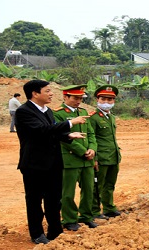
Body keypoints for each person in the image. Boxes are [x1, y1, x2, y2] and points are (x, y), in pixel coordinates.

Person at [15, 79, 87, 244]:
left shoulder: (47, 111)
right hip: (34, 164)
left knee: (54, 199)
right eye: (47, 91)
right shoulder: (23, 111)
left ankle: (55, 231)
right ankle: (37, 233)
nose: (51, 93)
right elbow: (40, 131)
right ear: (35, 93)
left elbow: (51, 132)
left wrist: (68, 136)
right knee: (34, 201)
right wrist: (70, 123)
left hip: (53, 163)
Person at [53, 85, 98, 231]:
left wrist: (92, 149)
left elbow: (91, 134)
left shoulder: (84, 112)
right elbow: (61, 137)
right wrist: (82, 151)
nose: (78, 101)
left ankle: (86, 216)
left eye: (80, 98)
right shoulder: (58, 114)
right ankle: (69, 219)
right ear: (65, 97)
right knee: (68, 192)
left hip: (87, 159)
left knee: (88, 189)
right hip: (70, 159)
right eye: (75, 98)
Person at [88, 85, 122, 220]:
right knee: (97, 185)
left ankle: (109, 208)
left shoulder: (111, 117)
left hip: (113, 156)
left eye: (110, 99)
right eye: (103, 99)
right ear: (97, 99)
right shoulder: (93, 117)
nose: (106, 102)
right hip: (101, 157)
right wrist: (94, 158)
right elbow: (91, 138)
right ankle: (95, 210)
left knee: (110, 184)